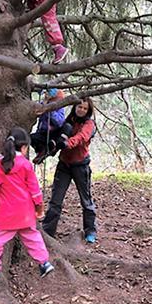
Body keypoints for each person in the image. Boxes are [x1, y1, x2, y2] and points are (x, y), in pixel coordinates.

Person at [0, 127, 54, 285]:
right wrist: (39, 208)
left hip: (6, 215)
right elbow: (35, 190)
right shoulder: (26, 165)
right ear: (24, 147)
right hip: (26, 213)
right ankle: (44, 263)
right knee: (32, 237)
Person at [42, 97, 98, 243]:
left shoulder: (89, 124)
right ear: (75, 107)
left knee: (86, 201)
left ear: (89, 111)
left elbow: (82, 137)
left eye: (85, 108)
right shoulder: (68, 121)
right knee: (55, 201)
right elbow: (55, 134)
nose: (81, 110)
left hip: (81, 166)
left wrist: (67, 143)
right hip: (64, 165)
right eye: (79, 107)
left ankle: (90, 231)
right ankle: (47, 233)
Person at [30, 88, 72, 164]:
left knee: (67, 126)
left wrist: (51, 110)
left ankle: (55, 146)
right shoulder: (44, 105)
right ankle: (42, 151)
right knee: (31, 137)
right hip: (44, 133)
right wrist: (46, 103)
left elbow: (59, 122)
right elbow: (39, 112)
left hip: (55, 134)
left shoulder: (60, 109)